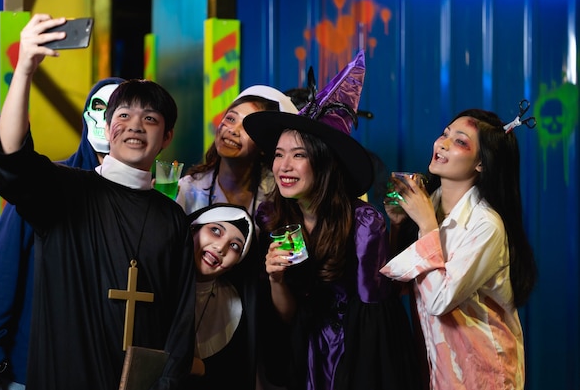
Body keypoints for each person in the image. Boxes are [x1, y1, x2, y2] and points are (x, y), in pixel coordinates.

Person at [0, 14, 195, 390]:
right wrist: (24, 70)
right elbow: (13, 159)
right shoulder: (64, 190)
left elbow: (181, 323)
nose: (135, 124)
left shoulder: (173, 219)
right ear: (105, 127)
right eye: (123, 114)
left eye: (149, 118)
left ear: (166, 137)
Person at [244, 51, 422, 390]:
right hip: (294, 354)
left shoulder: (363, 222)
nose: (284, 166)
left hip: (351, 356)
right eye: (279, 155)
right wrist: (277, 279)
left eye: (299, 156)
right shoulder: (271, 216)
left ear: (324, 164)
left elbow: (374, 320)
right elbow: (286, 316)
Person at [0, 77, 124, 389]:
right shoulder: (48, 182)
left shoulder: (147, 202)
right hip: (33, 360)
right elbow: (4, 264)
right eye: (99, 106)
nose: (107, 118)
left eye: (119, 110)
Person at [379, 108, 538, 390]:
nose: (442, 143)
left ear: (482, 164)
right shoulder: (432, 205)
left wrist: (426, 224)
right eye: (445, 134)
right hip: (439, 370)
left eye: (460, 142)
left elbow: (439, 301)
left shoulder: (486, 225)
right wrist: (397, 225)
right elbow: (402, 286)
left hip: (483, 375)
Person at [175, 85, 298, 219]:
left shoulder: (277, 193)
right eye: (231, 119)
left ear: (264, 146)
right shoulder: (188, 190)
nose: (233, 130)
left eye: (247, 127)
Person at [184, 203, 257, 389]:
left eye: (234, 246)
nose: (220, 247)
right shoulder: (156, 277)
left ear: (236, 264)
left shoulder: (234, 306)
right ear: (193, 229)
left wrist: (198, 367)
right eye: (215, 230)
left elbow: (230, 377)